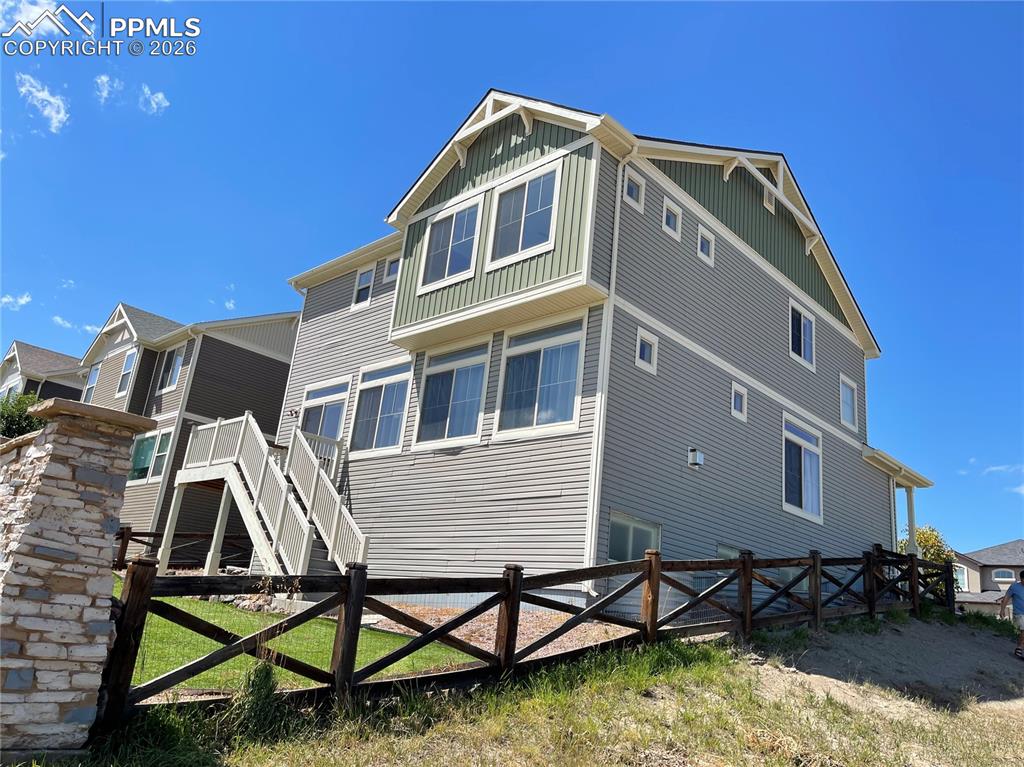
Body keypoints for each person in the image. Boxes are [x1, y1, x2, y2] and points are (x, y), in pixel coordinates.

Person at [998, 569, 1024, 660]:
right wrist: (1002, 610)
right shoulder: (1014, 587)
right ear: (1021, 579)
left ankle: (1020, 647)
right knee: (1023, 630)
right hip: (1019, 613)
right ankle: (1019, 648)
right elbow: (1006, 598)